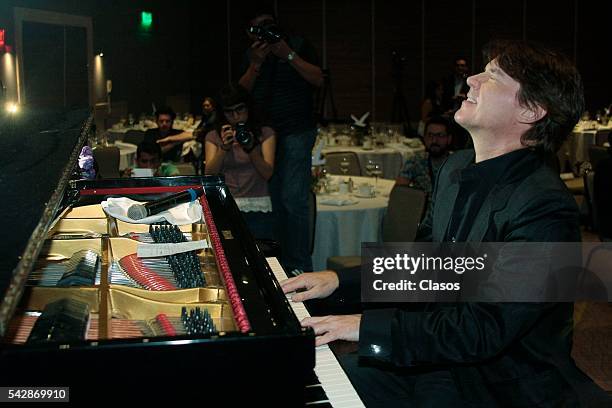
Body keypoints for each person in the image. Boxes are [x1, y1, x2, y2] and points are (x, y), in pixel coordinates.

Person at [280, 41, 603, 407]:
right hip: (440, 360)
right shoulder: (456, 168)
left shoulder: (546, 207)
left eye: (493, 76)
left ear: (531, 110)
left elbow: (485, 327)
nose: (472, 79)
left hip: (498, 385)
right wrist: (340, 281)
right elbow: (432, 265)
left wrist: (361, 326)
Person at [239, 10, 323, 274]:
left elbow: (318, 79)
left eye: (268, 26)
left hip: (297, 129)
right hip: (267, 133)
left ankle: (300, 267)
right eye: (256, 29)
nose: (263, 32)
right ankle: (280, 267)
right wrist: (256, 63)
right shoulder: (253, 55)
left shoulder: (297, 45)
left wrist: (286, 53)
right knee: (275, 200)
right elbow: (240, 93)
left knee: (292, 198)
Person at [204, 83, 276, 240]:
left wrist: (251, 148)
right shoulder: (214, 136)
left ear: (248, 108)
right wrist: (224, 148)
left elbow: (267, 173)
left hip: (258, 207)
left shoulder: (264, 133)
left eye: (240, 109)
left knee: (262, 258)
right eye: (229, 112)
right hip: (226, 206)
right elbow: (209, 174)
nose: (236, 117)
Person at [396, 115, 453, 217]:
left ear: (449, 139)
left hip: (449, 217)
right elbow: (399, 193)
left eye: (440, 135)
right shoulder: (416, 161)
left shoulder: (457, 163)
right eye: (430, 135)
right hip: (420, 218)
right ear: (424, 138)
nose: (434, 141)